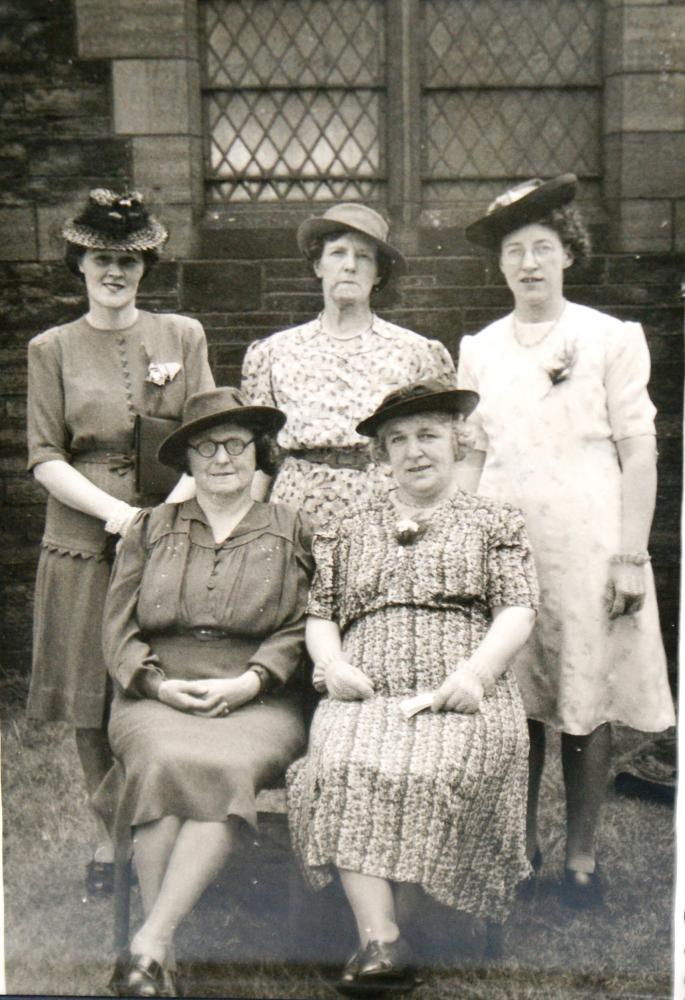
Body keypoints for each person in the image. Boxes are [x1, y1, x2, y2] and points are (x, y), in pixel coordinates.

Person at [458, 174, 676, 907]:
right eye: (514, 251)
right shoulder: (480, 348)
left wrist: (628, 553)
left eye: (542, 248)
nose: (528, 264)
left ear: (567, 255)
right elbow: (472, 454)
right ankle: (518, 846)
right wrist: (460, 540)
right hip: (506, 539)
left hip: (587, 537)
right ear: (500, 265)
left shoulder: (607, 338)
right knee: (514, 700)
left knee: (584, 700)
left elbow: (638, 451)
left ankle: (581, 855)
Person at [287, 381, 539, 995]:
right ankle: (383, 941)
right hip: (367, 684)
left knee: (434, 768)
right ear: (382, 454)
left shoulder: (494, 520)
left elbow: (517, 611)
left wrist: (476, 675)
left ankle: (417, 923)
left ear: (456, 442)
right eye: (397, 439)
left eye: (427, 435)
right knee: (343, 762)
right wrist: (332, 665)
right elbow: (320, 613)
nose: (414, 451)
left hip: (463, 682)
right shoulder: (348, 526)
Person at [26, 188, 215, 895]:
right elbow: (45, 456)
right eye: (102, 258)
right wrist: (115, 515)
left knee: (160, 680)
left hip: (170, 526)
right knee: (89, 694)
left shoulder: (183, 336)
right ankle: (111, 841)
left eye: (130, 261)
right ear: (79, 263)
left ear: (146, 268)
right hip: (82, 536)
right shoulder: (50, 349)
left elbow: (206, 435)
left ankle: (160, 827)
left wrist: (164, 513)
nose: (115, 272)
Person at [97, 387, 313, 998]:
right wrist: (159, 688)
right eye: (207, 446)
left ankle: (150, 944)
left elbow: (303, 624)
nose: (223, 458)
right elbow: (117, 628)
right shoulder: (150, 529)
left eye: (237, 444)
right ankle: (158, 950)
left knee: (223, 762)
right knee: (163, 758)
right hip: (155, 695)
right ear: (187, 460)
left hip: (261, 697)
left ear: (259, 454)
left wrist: (250, 682)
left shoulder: (295, 529)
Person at [241, 203, 457, 526]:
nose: (350, 266)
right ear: (318, 266)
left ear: (378, 273)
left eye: (363, 256)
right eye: (338, 253)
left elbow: (441, 449)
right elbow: (260, 459)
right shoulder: (274, 353)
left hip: (384, 512)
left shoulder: (416, 352)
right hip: (294, 513)